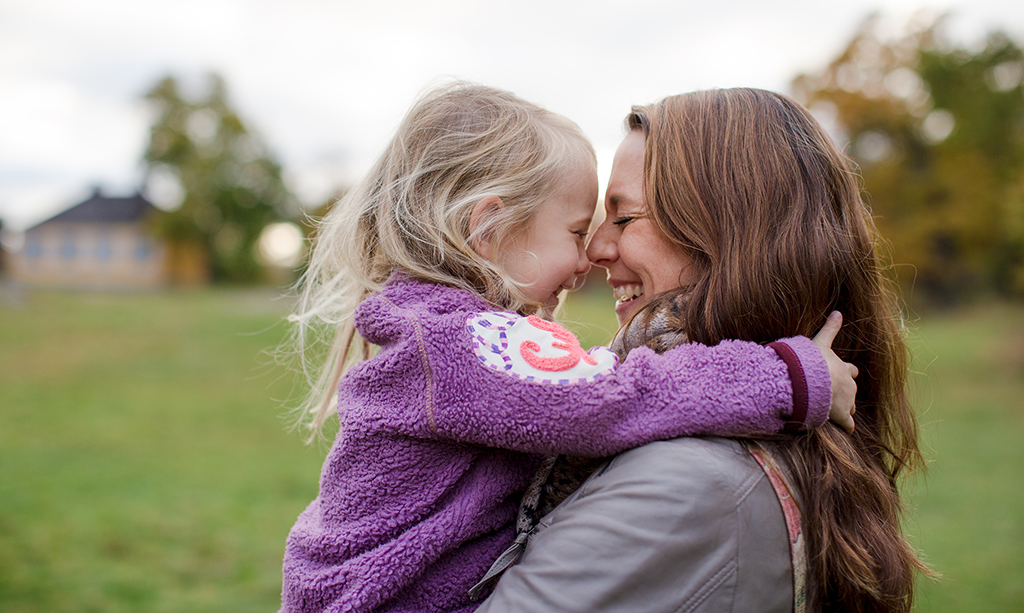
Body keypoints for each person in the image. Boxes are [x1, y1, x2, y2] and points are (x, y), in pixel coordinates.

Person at [279, 83, 857, 613]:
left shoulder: (441, 333)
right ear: (488, 229)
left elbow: (597, 384)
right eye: (580, 230)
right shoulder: (467, 344)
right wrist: (785, 376)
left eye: (621, 217)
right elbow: (612, 398)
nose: (592, 255)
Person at [477, 88, 929, 613]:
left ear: (729, 236)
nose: (595, 249)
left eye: (623, 218)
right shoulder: (760, 433)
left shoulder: (688, 482)